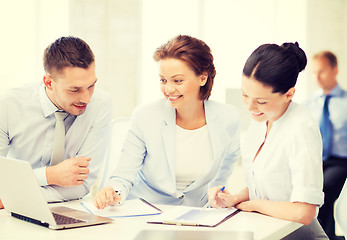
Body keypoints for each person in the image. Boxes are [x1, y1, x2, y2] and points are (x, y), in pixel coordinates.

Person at [93, 35, 241, 209]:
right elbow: (124, 174)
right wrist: (113, 192)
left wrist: (217, 191)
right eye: (163, 80)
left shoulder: (227, 117)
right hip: (146, 210)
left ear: (203, 77)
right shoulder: (145, 116)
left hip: (196, 214)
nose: (169, 89)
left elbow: (229, 161)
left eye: (178, 80)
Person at [208, 42, 328, 239]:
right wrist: (233, 199)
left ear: (289, 94)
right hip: (268, 230)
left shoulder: (301, 126)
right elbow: (268, 184)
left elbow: (304, 212)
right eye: (245, 95)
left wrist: (254, 205)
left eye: (261, 101)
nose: (250, 106)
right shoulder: (261, 119)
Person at [0, 36, 113, 209]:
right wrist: (49, 175)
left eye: (91, 86)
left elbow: (81, 185)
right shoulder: (10, 105)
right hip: (13, 212)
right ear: (49, 82)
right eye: (74, 89)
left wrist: (13, 197)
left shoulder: (101, 105)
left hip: (71, 210)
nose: (86, 98)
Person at [305, 51, 347, 240]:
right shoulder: (308, 103)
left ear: (335, 70)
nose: (317, 77)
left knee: (324, 189)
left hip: (340, 161)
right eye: (314, 73)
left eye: (321, 71)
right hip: (315, 160)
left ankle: (324, 236)